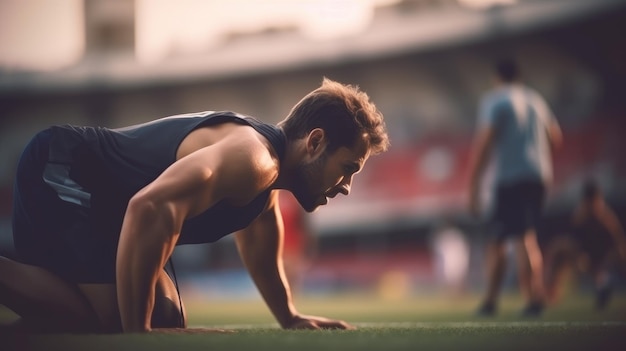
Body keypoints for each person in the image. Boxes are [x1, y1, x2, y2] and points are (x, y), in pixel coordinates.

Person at [0, 78, 389, 333]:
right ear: (315, 142)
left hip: (103, 204)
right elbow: (149, 207)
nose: (347, 187)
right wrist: (140, 337)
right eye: (347, 168)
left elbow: (260, 250)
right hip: (63, 167)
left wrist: (290, 318)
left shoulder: (267, 185)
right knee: (122, 322)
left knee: (166, 317)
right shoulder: (255, 160)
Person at [467, 58, 562, 316]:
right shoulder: (536, 99)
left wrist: (474, 184)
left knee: (501, 238)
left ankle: (501, 300)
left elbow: (485, 141)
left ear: (496, 77)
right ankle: (530, 296)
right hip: (538, 176)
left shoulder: (495, 100)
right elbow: (556, 136)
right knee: (526, 235)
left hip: (509, 177)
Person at [544, 179, 626, 309]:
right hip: (586, 258)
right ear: (585, 202)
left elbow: (619, 246)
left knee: (618, 257)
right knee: (558, 247)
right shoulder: (579, 219)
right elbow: (572, 245)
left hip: (606, 259)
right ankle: (550, 293)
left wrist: (611, 263)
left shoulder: (607, 221)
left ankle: (603, 284)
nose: (592, 207)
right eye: (589, 203)